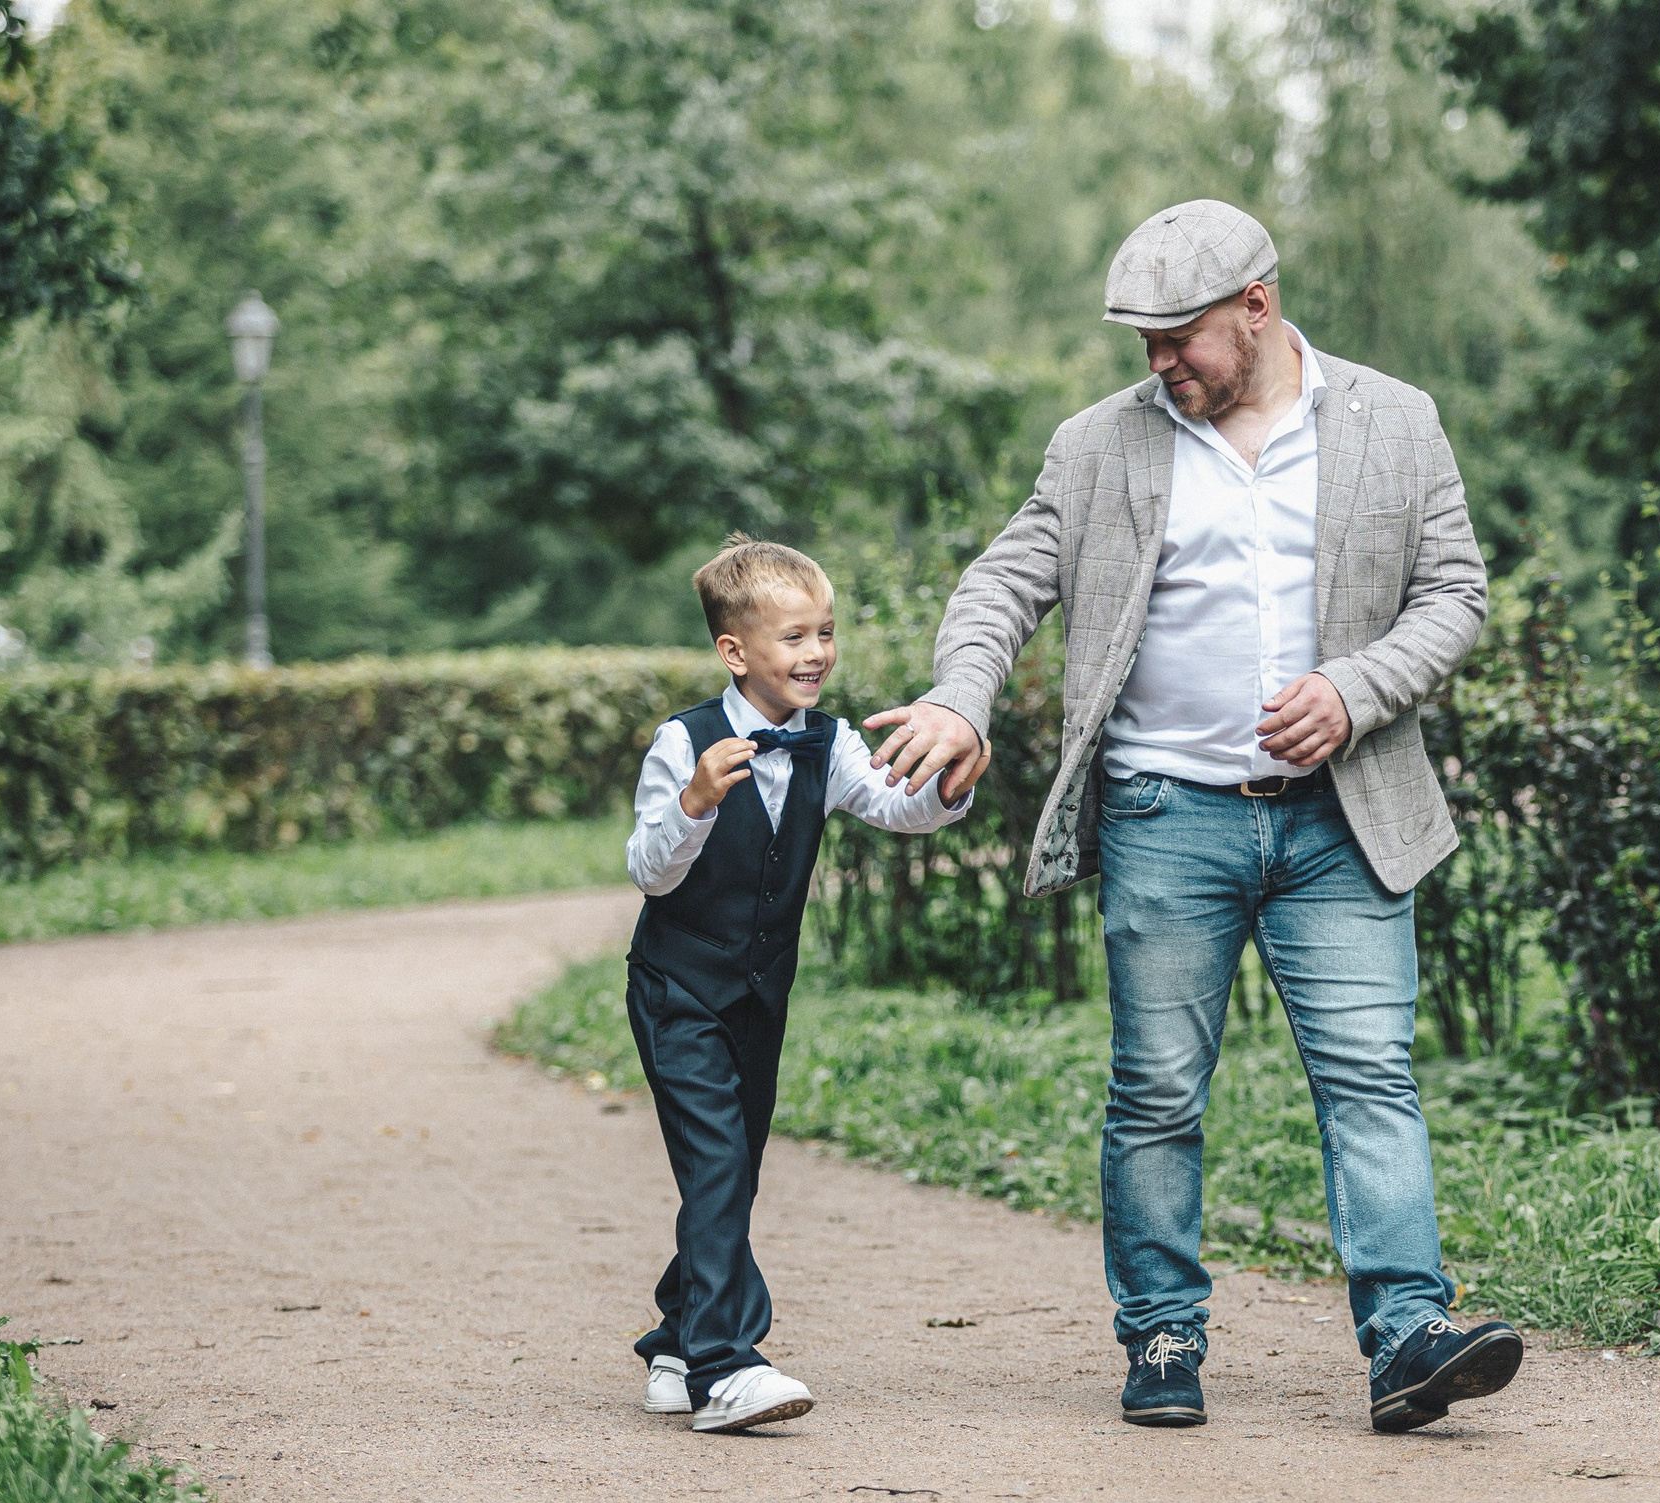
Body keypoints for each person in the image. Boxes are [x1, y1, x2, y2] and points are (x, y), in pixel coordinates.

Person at [865, 200, 1524, 1434]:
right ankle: (1162, 1335)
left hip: (1344, 819)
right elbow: (1005, 581)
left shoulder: (1394, 421)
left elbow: (1454, 593)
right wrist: (962, 698)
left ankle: (1407, 1337)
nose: (1160, 364)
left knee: (1369, 1076)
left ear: (1258, 309)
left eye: (1180, 338)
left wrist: (1353, 687)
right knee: (1157, 1091)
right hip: (1168, 813)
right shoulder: (1099, 444)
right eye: (1144, 344)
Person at [624, 536, 988, 1433]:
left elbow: (896, 808)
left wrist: (946, 786)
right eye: (793, 637)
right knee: (715, 1163)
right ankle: (722, 1365)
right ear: (735, 651)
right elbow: (648, 871)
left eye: (825, 632)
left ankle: (673, 1338)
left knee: (734, 1171)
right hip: (677, 990)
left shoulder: (826, 742)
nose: (817, 652)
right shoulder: (687, 741)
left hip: (758, 994)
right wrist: (694, 805)